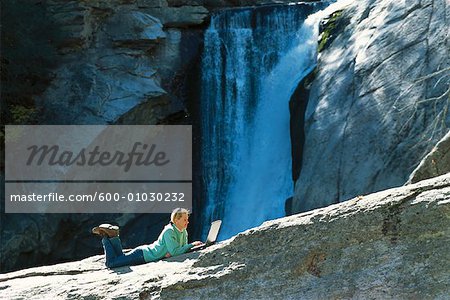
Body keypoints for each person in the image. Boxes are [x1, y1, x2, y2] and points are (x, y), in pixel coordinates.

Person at [92, 208, 203, 268]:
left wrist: (187, 248)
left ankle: (113, 235)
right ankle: (105, 236)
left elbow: (181, 249)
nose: (187, 222)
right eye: (184, 219)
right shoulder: (169, 231)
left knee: (119, 257)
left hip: (145, 254)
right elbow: (175, 251)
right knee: (111, 263)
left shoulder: (183, 231)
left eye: (187, 219)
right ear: (176, 220)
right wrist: (192, 245)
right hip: (143, 255)